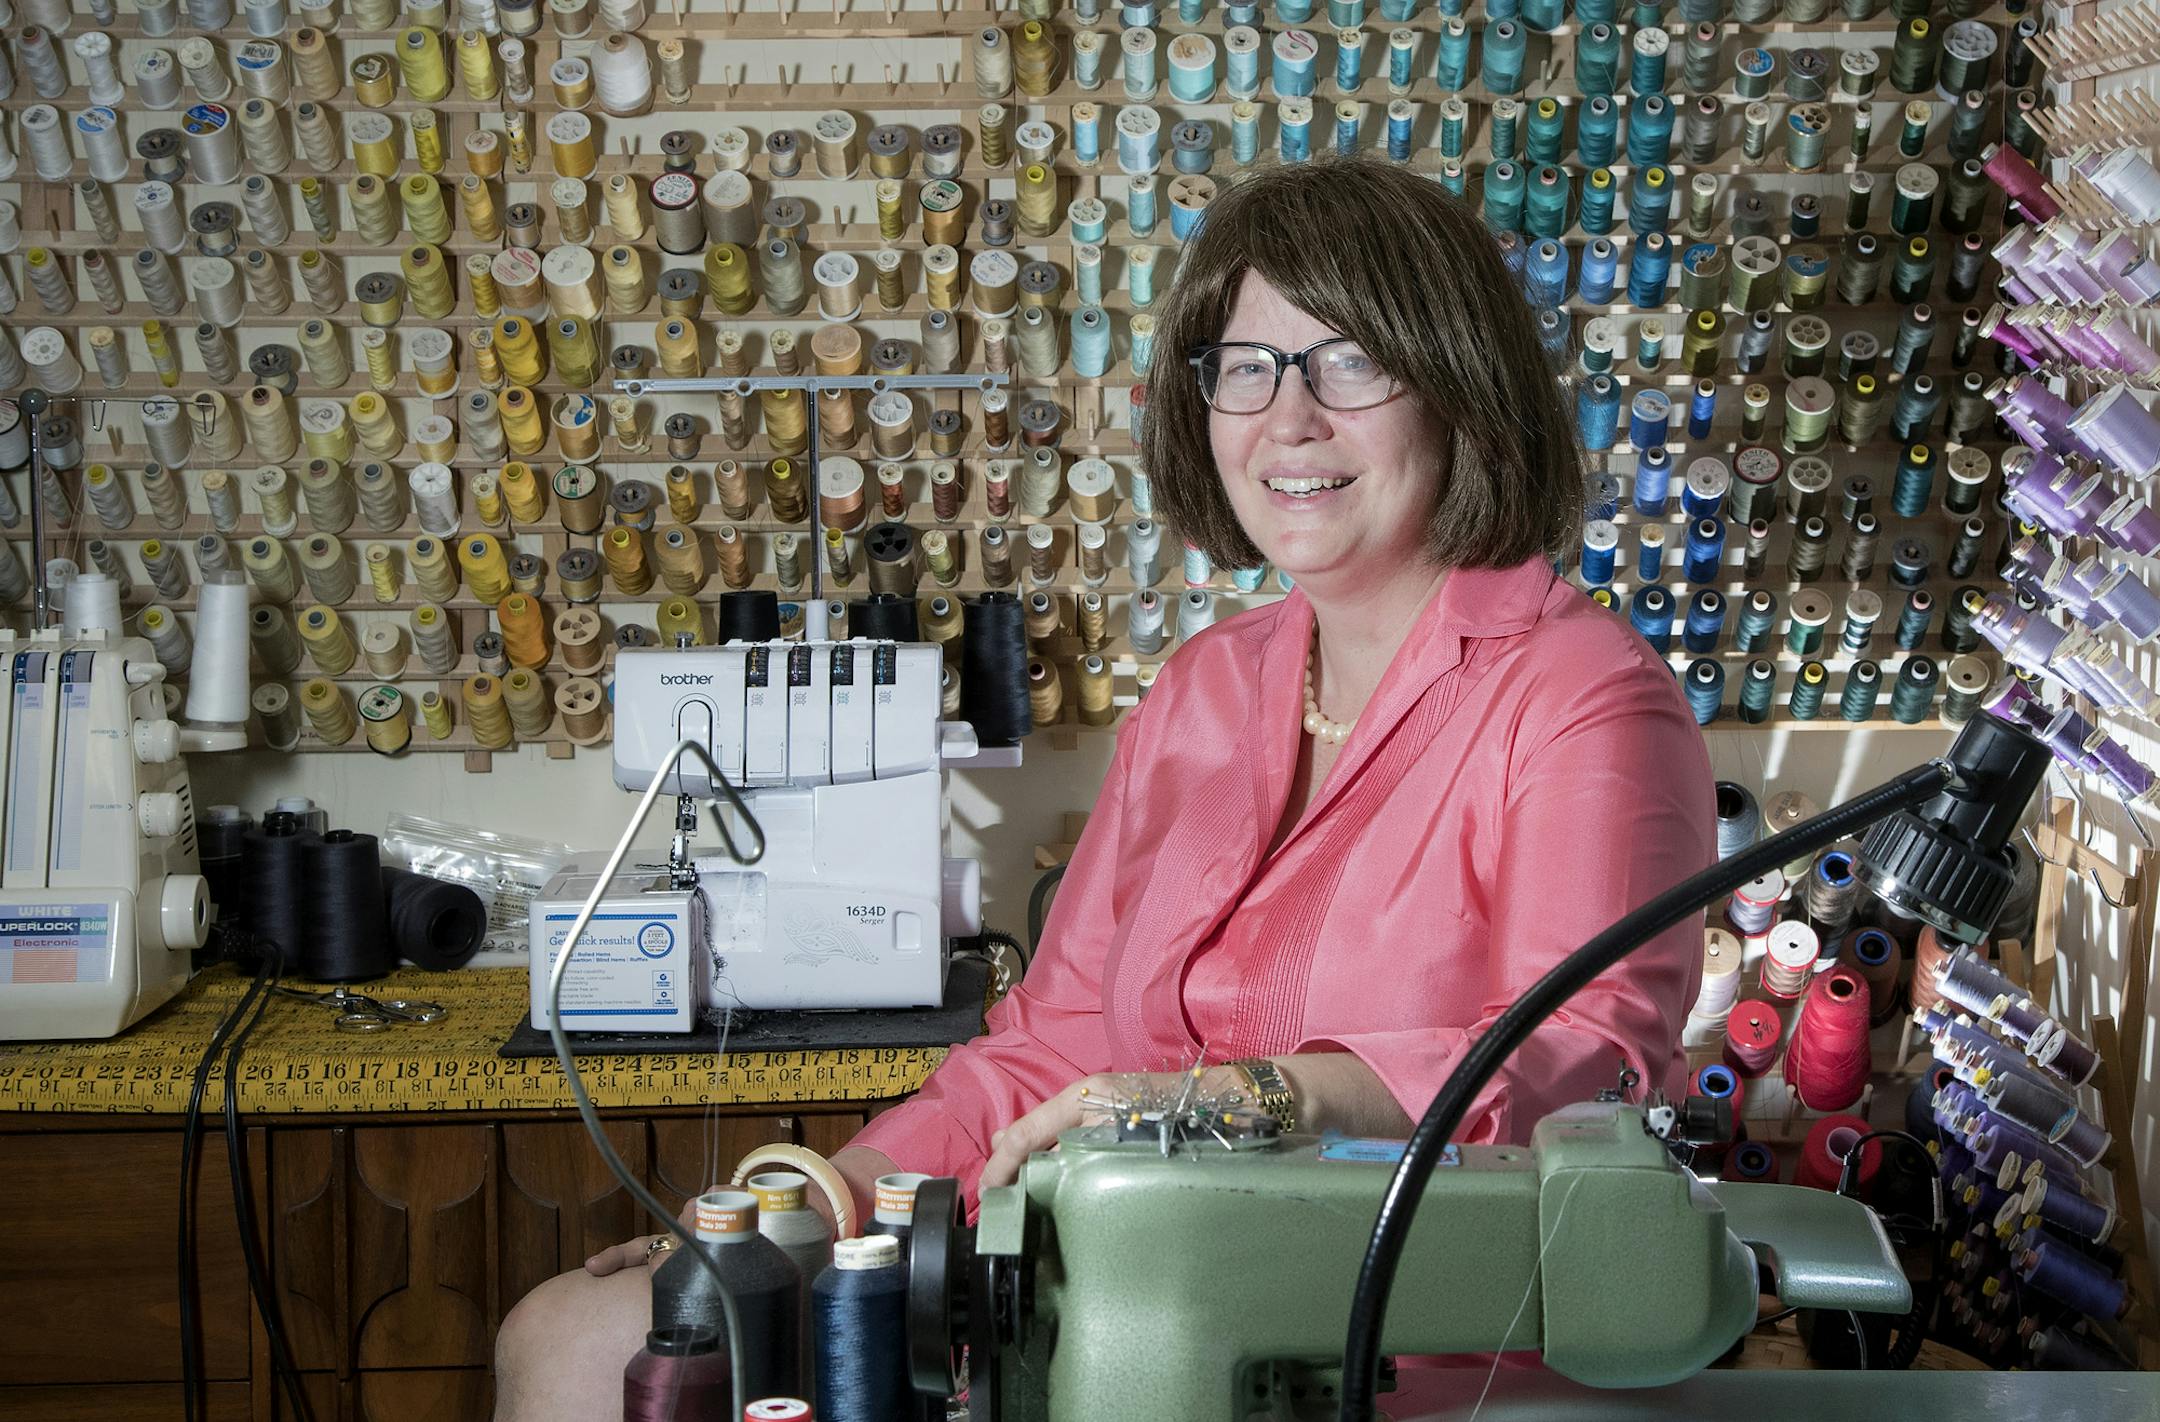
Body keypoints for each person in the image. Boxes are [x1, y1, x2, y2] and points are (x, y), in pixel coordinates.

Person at [494, 156, 1715, 1420]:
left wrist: (1234, 1101)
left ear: (1459, 385)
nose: (1289, 420)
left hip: (1406, 1350)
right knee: (580, 1339)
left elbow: (1587, 1059)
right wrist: (825, 1196)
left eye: (1348, 361)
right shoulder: (1205, 693)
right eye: (1248, 366)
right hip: (1127, 1315)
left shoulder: (1580, 693)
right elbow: (1056, 1042)